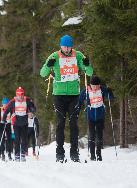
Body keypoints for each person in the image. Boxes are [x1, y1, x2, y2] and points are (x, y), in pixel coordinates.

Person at [40, 34, 93, 162]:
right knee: (60, 124)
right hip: (59, 95)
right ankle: (60, 154)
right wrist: (48, 65)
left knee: (73, 124)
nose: (66, 49)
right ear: (61, 46)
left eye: (69, 47)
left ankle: (74, 153)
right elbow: (43, 73)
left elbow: (89, 72)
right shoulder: (54, 56)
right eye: (64, 46)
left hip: (74, 95)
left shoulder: (78, 55)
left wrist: (87, 64)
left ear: (71, 46)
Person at [78, 75, 114, 161]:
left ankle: (99, 155)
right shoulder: (86, 91)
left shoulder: (102, 89)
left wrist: (110, 92)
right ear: (90, 85)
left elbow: (110, 98)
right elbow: (79, 100)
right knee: (91, 136)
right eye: (94, 86)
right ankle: (92, 155)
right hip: (90, 117)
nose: (95, 87)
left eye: (97, 85)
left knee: (99, 136)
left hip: (100, 116)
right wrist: (78, 109)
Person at [2, 87, 35, 162]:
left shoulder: (27, 100)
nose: (20, 96)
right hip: (16, 123)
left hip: (25, 122)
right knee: (17, 139)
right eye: (18, 95)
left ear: (23, 94)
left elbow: (33, 107)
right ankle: (17, 155)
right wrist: (4, 119)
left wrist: (32, 111)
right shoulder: (13, 101)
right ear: (16, 95)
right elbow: (6, 110)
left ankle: (23, 154)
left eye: (21, 94)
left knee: (24, 139)